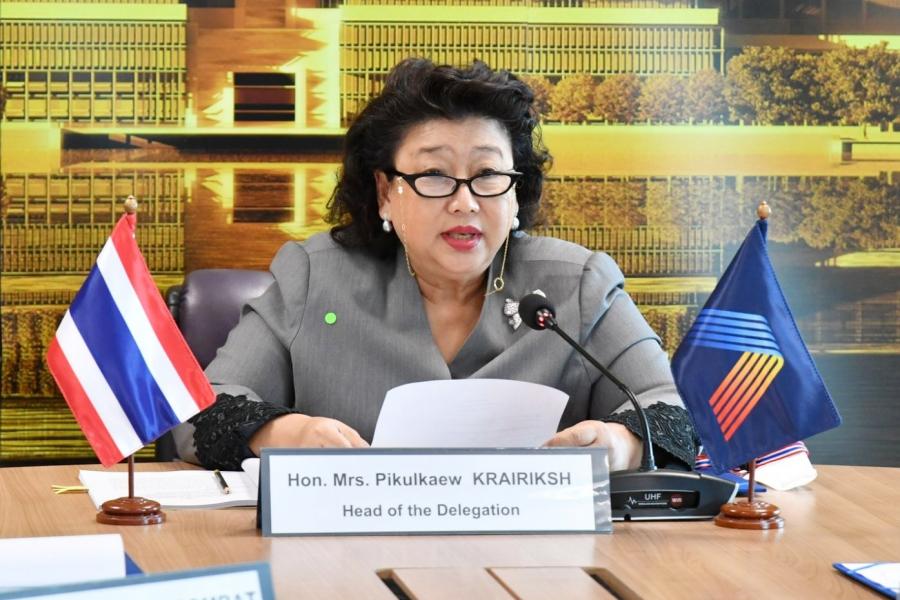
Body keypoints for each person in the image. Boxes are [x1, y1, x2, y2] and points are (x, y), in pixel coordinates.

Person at [175, 58, 697, 471]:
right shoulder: (315, 276)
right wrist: (286, 434)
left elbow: (674, 408)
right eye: (434, 175)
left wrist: (620, 444)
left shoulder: (578, 284)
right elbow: (198, 413)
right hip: (350, 547)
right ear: (386, 193)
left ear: (516, 193)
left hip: (540, 551)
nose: (464, 202)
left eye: (488, 175)